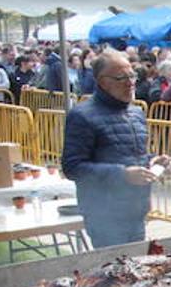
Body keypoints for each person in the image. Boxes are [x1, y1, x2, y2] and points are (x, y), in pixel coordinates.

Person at [61, 50, 165, 247]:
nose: (130, 82)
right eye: (121, 77)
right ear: (102, 82)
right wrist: (122, 174)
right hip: (104, 214)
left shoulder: (136, 113)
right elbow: (72, 167)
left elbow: (131, 154)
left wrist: (152, 161)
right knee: (115, 274)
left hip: (136, 210)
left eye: (132, 75)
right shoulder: (82, 116)